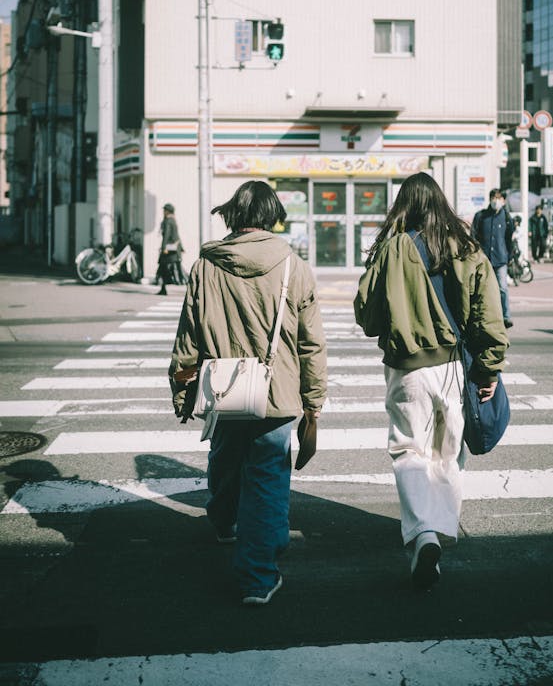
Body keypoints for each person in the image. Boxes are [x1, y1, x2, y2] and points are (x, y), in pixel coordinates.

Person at [169, 181, 327, 606]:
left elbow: (190, 333)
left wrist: (181, 389)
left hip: (224, 388)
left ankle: (224, 523)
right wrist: (314, 401)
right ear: (273, 216)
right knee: (269, 480)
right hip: (277, 393)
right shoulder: (294, 267)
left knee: (224, 459)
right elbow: (311, 343)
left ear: (233, 216)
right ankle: (258, 577)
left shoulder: (206, 266)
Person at [354, 173, 508, 591]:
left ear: (403, 205)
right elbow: (489, 315)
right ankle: (438, 531)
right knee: (448, 452)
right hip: (454, 367)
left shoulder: (390, 248)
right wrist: (489, 367)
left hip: (407, 367)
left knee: (409, 451)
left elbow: (366, 317)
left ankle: (423, 535)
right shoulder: (467, 247)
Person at [472, 188, 514, 328]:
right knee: (483, 288)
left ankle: (506, 316)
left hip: (501, 258)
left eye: (498, 198)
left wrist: (510, 256)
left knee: (502, 288)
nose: (496, 201)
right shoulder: (481, 216)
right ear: (490, 200)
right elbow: (474, 237)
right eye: (493, 198)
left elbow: (509, 239)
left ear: (502, 200)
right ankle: (484, 316)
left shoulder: (507, 218)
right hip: (484, 259)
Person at [156, 203, 185, 294]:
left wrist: (163, 247)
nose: (163, 212)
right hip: (174, 249)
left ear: (167, 211)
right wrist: (181, 247)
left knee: (163, 268)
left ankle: (164, 288)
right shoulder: (173, 220)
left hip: (168, 250)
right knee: (172, 267)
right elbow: (177, 235)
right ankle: (164, 288)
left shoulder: (168, 221)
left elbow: (167, 235)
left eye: (164, 210)